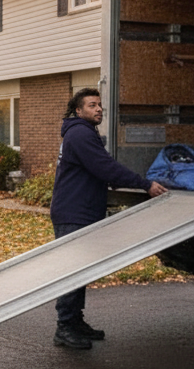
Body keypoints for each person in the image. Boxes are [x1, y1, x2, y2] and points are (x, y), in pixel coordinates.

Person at [50, 88, 168, 349]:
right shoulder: (80, 133)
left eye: (100, 105)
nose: (99, 109)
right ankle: (65, 327)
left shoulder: (81, 132)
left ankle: (74, 321)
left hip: (79, 211)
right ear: (79, 111)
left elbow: (97, 169)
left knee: (79, 270)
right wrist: (144, 184)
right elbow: (105, 167)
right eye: (92, 105)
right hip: (73, 213)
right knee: (71, 271)